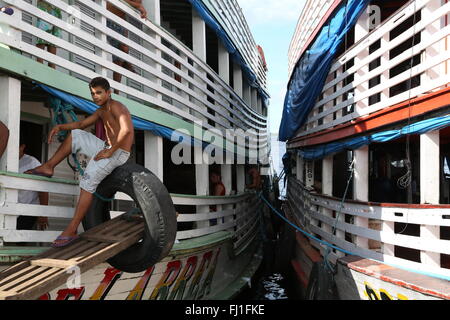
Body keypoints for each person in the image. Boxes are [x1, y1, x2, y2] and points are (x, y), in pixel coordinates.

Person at [26, 77, 134, 247]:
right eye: (93, 93)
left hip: (119, 152)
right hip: (107, 146)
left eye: (99, 93)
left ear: (108, 92)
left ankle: (72, 229)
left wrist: (110, 151)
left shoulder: (117, 106)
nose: (96, 96)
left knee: (87, 182)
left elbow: (127, 130)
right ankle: (49, 166)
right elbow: (82, 123)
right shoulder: (100, 111)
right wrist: (60, 127)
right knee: (76, 135)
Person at [106, 0, 147, 93]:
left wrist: (139, 6)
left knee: (121, 55)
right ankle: (126, 64)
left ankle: (117, 90)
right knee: (121, 53)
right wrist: (138, 5)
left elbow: (136, 4)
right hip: (109, 18)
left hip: (120, 21)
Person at [18, 140, 49, 231]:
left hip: (28, 209)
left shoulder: (32, 162)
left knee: (20, 240)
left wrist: (43, 213)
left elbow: (43, 190)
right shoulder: (5, 160)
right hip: (10, 208)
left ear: (22, 147)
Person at [35, 0, 62, 69]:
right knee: (41, 42)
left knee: (52, 45)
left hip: (55, 8)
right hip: (43, 5)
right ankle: (39, 74)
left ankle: (52, 77)